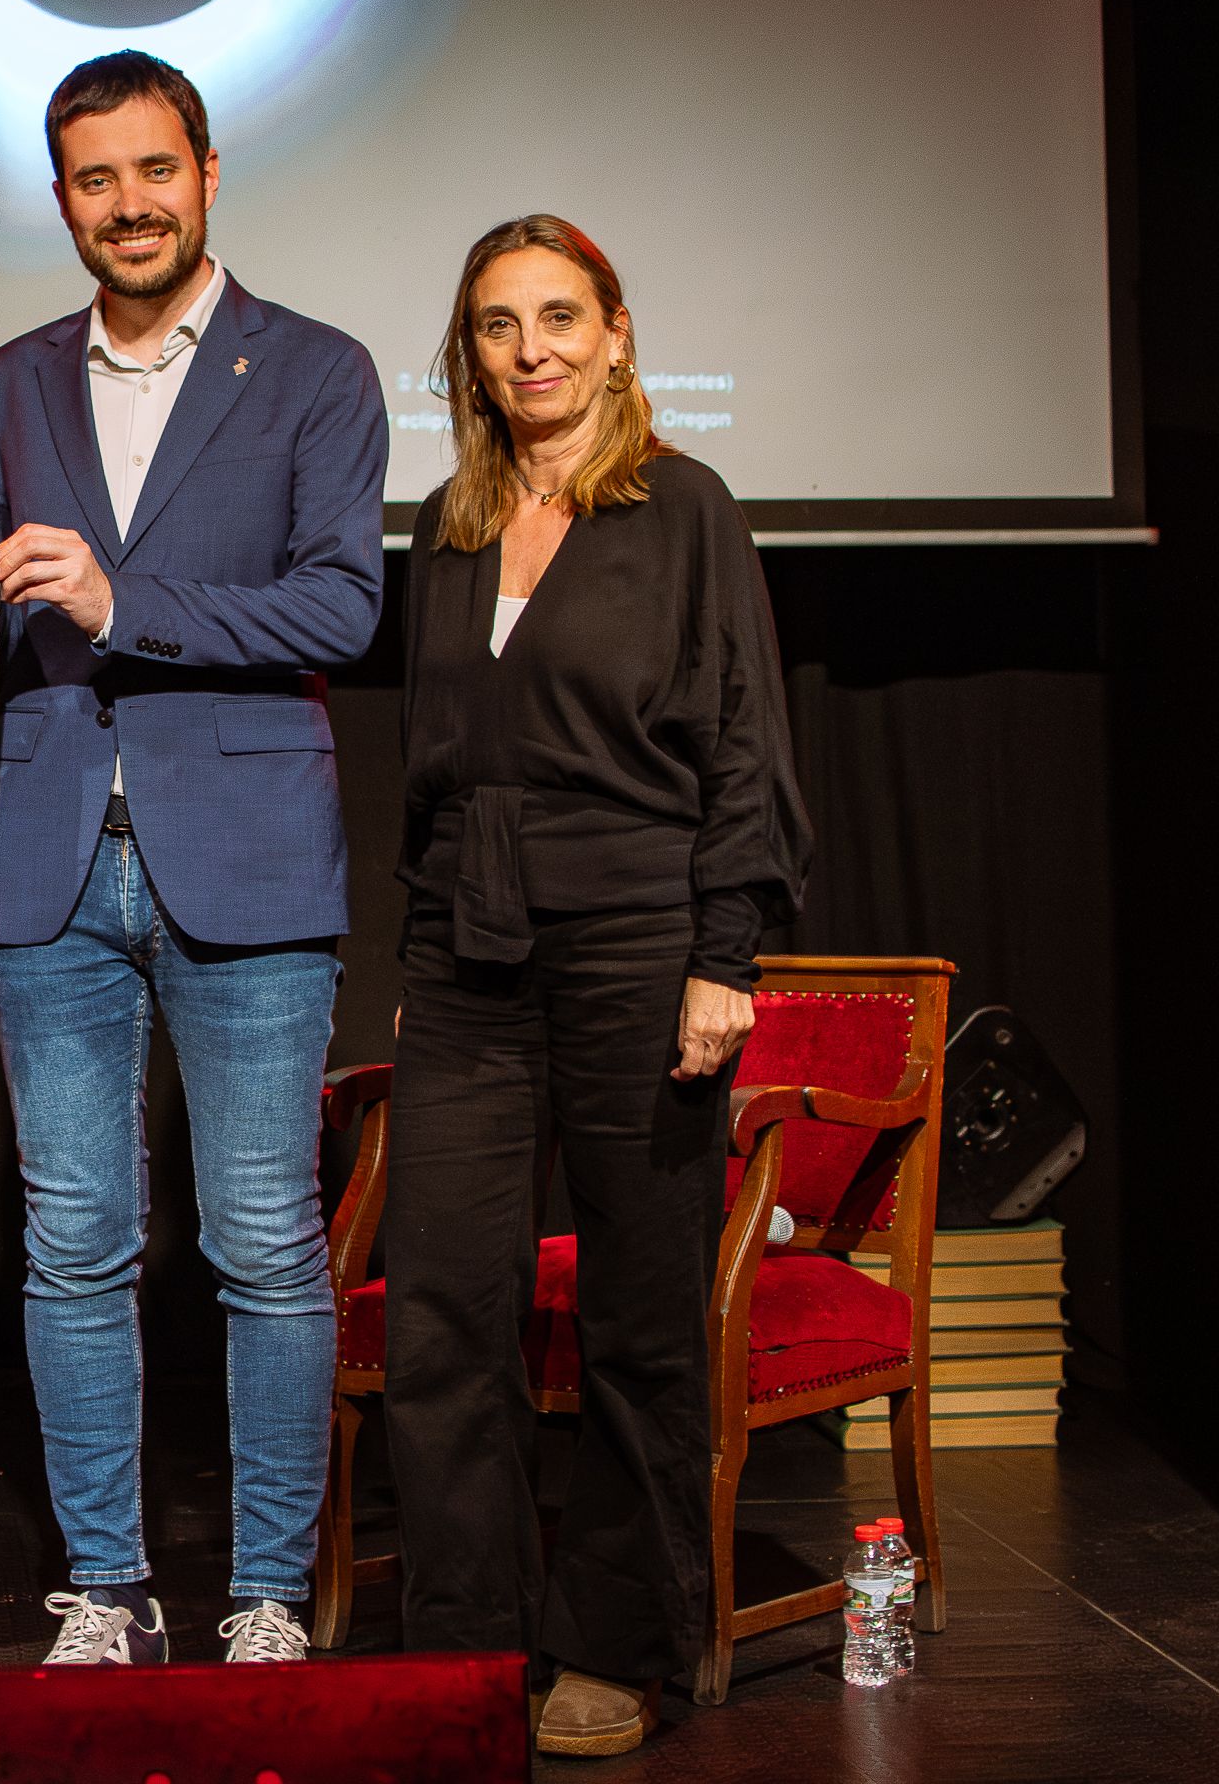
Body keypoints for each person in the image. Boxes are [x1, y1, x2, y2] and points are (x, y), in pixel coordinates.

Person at [0, 51, 388, 1669]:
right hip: (51, 861)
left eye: (155, 170)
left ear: (207, 173)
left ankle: (265, 1594)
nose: (129, 204)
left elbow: (342, 606)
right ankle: (108, 1591)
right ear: (62, 197)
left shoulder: (315, 369)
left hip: (247, 855)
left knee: (263, 1242)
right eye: (95, 178)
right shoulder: (12, 379)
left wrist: (124, 605)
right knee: (73, 1244)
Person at [382, 215, 809, 1759]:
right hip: (468, 952)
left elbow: (744, 742)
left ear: (616, 334)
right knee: (443, 1314)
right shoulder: (450, 525)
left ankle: (616, 1646)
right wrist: (422, 953)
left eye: (560, 317)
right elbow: (429, 769)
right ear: (472, 354)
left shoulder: (683, 509)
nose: (532, 350)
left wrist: (722, 958)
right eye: (499, 325)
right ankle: (463, 1646)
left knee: (636, 1317)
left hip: (639, 940)